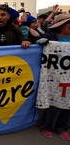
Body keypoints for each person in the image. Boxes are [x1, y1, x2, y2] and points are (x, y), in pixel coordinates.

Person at [39, 13, 70, 141]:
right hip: (54, 77)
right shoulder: (51, 37)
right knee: (54, 103)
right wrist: (40, 43)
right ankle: (47, 126)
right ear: (61, 25)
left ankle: (61, 127)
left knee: (68, 104)